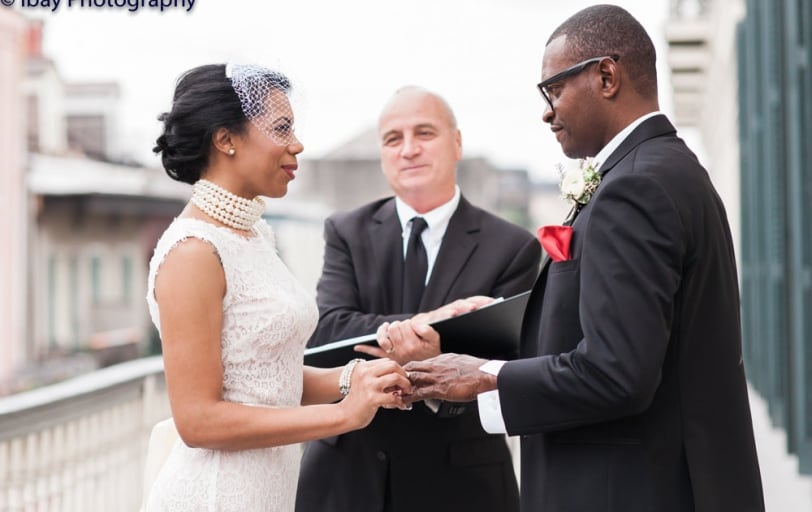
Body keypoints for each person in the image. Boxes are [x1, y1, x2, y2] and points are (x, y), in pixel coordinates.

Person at [401, 5, 766, 512]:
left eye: (552, 89)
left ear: (606, 75)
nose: (546, 111)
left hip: (633, 489)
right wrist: (511, 318)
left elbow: (617, 373)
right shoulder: (668, 168)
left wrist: (487, 376)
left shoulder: (634, 187)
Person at [144, 63, 411, 512]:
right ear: (226, 139)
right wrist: (344, 414)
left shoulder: (254, 236)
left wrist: (352, 377)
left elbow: (264, 377)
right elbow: (198, 421)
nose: (297, 144)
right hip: (215, 497)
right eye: (282, 128)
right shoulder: (193, 251)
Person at [295, 86, 541, 512]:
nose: (408, 149)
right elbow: (328, 330)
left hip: (459, 481)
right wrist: (432, 323)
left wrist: (429, 350)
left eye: (424, 133)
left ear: (457, 143)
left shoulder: (513, 246)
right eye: (393, 138)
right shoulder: (346, 231)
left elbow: (510, 361)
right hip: (348, 477)